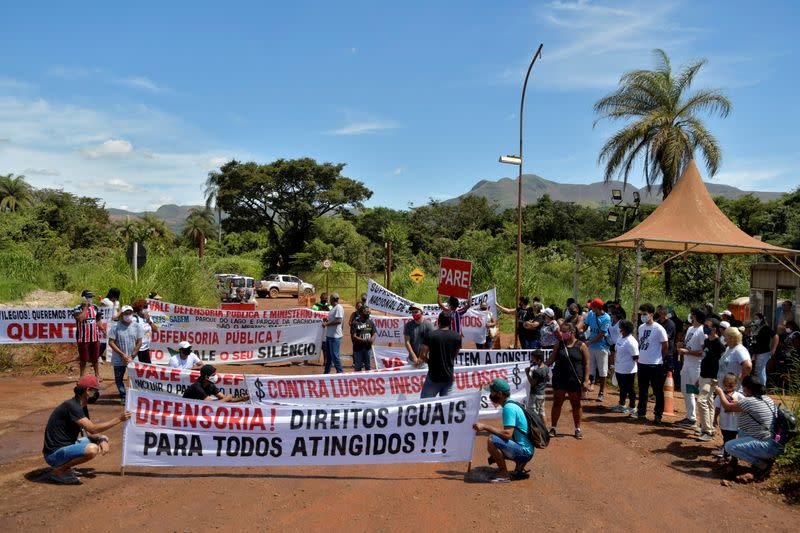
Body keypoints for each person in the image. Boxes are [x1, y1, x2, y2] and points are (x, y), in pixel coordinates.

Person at [42, 375, 131, 484]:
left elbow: (89, 432)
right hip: (53, 455)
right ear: (87, 391)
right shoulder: (72, 406)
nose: (97, 394)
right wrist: (119, 419)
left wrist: (101, 439)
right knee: (92, 449)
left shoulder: (81, 406)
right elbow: (92, 428)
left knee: (102, 438)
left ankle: (65, 467)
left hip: (65, 447)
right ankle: (59, 470)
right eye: (95, 391)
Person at [716, 375, 782, 475]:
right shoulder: (767, 399)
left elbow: (727, 407)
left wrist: (720, 392)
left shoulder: (748, 401)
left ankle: (761, 464)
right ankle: (758, 458)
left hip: (765, 447)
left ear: (746, 388)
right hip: (774, 443)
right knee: (742, 430)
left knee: (729, 446)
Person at [473, 378, 534, 483]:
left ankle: (503, 473)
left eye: (492, 392)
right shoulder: (512, 404)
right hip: (527, 449)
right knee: (498, 441)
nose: (490, 395)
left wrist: (485, 426)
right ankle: (518, 468)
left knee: (492, 440)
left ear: (500, 394)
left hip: (524, 452)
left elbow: (507, 434)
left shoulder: (508, 408)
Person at [545, 322, 590, 439]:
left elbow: (586, 364)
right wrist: (541, 366)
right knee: (557, 403)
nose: (562, 334)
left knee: (576, 404)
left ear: (572, 332)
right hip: (559, 379)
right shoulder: (559, 344)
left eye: (565, 332)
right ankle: (553, 428)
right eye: (561, 331)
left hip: (574, 380)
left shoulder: (581, 346)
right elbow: (551, 359)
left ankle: (577, 429)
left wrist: (586, 380)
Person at [632, 303, 668, 424]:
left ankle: (658, 415)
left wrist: (660, 358)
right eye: (641, 314)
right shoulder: (641, 327)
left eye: (644, 314)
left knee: (657, 391)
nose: (642, 316)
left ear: (651, 314)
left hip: (655, 364)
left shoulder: (659, 328)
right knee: (643, 390)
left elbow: (665, 346)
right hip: (642, 363)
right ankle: (641, 412)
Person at [676, 308, 707, 428]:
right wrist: (681, 346)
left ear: (697, 317)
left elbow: (704, 352)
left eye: (693, 315)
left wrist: (687, 352)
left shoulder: (702, 331)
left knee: (698, 393)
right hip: (687, 364)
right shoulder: (690, 329)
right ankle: (691, 418)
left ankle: (703, 422)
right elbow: (689, 345)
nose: (690, 317)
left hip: (696, 366)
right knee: (686, 390)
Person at [419, 311, 462, 398]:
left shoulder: (430, 335)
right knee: (446, 407)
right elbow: (455, 354)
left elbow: (423, 355)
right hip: (449, 377)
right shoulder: (457, 336)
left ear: (439, 321)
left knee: (426, 406)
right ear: (450, 322)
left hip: (434, 377)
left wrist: (430, 362)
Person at [697, 318, 725, 441]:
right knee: (708, 402)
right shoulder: (707, 341)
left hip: (711, 378)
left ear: (714, 328)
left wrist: (717, 378)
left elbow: (723, 362)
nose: (705, 327)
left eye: (707, 326)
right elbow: (704, 358)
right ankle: (708, 428)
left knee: (701, 400)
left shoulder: (719, 344)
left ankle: (707, 430)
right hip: (703, 375)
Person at [107, 305, 142, 402]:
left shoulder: (137, 326)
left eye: (130, 313)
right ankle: (123, 396)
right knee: (119, 379)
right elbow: (111, 342)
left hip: (133, 358)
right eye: (126, 313)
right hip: (119, 358)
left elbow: (139, 342)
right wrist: (122, 354)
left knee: (135, 378)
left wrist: (133, 355)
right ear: (122, 314)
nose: (128, 315)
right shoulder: (115, 326)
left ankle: (134, 396)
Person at [583, 298, 611, 401]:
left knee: (602, 371)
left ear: (597, 307)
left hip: (602, 347)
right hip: (591, 347)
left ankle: (601, 392)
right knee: (590, 368)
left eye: (592, 306)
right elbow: (586, 326)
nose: (590, 307)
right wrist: (579, 331)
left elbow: (601, 334)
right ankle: (587, 388)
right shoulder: (591, 314)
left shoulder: (606, 318)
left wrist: (589, 342)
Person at [73, 290, 104, 379]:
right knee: (83, 359)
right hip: (83, 338)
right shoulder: (77, 308)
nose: (90, 299)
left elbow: (98, 320)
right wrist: (85, 307)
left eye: (91, 297)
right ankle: (82, 376)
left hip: (95, 337)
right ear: (83, 298)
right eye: (88, 297)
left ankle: (97, 375)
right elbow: (80, 319)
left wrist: (103, 331)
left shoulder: (95, 307)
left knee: (95, 358)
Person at [713, 373, 741, 464]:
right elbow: (717, 408)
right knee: (725, 438)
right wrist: (714, 418)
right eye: (726, 384)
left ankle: (730, 456)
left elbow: (745, 405)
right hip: (724, 423)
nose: (728, 386)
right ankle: (728, 455)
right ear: (723, 384)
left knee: (731, 439)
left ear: (736, 384)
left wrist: (736, 403)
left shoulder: (739, 395)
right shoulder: (720, 395)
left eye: (731, 385)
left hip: (735, 423)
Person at [182, 365, 250, 402]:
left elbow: (226, 399)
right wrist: (227, 398)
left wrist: (242, 398)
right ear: (206, 377)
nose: (216, 376)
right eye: (213, 375)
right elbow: (211, 405)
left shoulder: (210, 385)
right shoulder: (197, 387)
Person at [612, 320, 638, 414]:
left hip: (628, 370)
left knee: (630, 388)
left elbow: (636, 357)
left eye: (621, 327)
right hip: (619, 368)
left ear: (626, 329)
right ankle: (622, 404)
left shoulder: (631, 341)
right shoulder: (620, 337)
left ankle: (632, 407)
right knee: (622, 388)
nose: (619, 328)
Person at [749, 312, 777, 386]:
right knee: (761, 370)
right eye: (754, 319)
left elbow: (775, 336)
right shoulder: (757, 328)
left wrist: (774, 348)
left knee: (759, 370)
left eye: (756, 318)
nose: (755, 320)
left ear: (761, 319)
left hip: (763, 352)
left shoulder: (765, 327)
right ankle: (763, 386)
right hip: (758, 352)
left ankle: (761, 387)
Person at [321, 293, 344, 374]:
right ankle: (326, 373)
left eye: (330, 299)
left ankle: (340, 373)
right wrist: (327, 320)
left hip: (335, 336)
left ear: (332, 299)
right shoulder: (333, 308)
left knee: (335, 356)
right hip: (329, 336)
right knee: (329, 357)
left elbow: (338, 321)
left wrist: (326, 324)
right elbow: (334, 320)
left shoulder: (338, 307)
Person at [525, 350, 549, 424]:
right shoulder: (545, 367)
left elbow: (532, 383)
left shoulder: (537, 371)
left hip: (535, 395)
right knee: (542, 412)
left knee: (533, 414)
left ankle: (536, 430)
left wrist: (527, 374)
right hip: (542, 393)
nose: (532, 360)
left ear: (538, 359)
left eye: (533, 358)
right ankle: (545, 430)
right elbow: (548, 378)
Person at [131, 298, 158, 364]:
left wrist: (149, 321)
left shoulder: (148, 317)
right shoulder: (134, 319)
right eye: (145, 307)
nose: (147, 308)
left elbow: (155, 330)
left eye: (147, 306)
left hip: (146, 348)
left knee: (147, 370)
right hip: (137, 349)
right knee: (136, 370)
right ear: (140, 309)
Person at [350, 305, 376, 371]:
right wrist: (364, 340)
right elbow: (354, 336)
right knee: (358, 367)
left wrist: (372, 338)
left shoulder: (370, 322)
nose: (368, 313)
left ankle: (368, 381)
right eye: (366, 312)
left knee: (369, 367)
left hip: (368, 349)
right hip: (358, 349)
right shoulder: (355, 323)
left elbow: (374, 333)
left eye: (369, 312)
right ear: (361, 313)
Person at [99, 288, 121, 363]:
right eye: (115, 295)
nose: (116, 297)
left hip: (115, 322)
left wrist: (117, 315)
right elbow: (101, 310)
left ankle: (112, 355)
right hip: (107, 322)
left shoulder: (117, 302)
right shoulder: (105, 300)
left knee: (113, 339)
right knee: (105, 339)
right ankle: (99, 355)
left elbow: (119, 310)